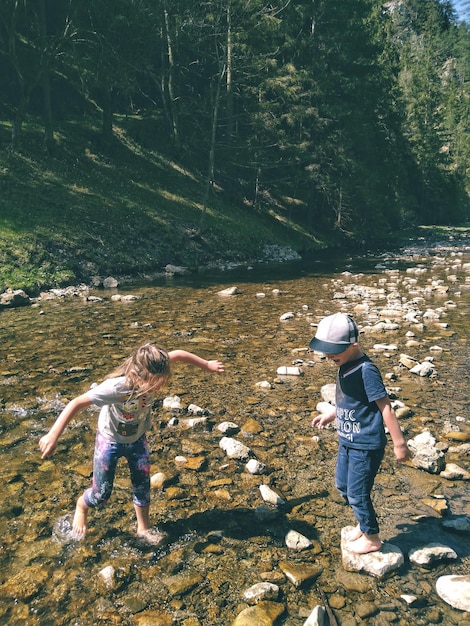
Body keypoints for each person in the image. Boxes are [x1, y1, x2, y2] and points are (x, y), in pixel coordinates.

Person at [39, 343, 224, 544]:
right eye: (155, 384)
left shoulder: (156, 366)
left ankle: (143, 528)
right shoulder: (116, 388)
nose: (160, 387)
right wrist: (53, 435)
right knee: (102, 495)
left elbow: (178, 354)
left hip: (137, 440)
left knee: (142, 485)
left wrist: (206, 365)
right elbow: (76, 403)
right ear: (137, 377)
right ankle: (81, 506)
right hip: (109, 441)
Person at [310, 313, 411, 554]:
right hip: (347, 440)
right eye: (326, 351)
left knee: (357, 492)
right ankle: (362, 523)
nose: (328, 356)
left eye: (334, 350)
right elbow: (351, 401)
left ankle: (372, 537)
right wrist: (332, 413)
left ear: (354, 344)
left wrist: (399, 443)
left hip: (365, 444)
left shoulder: (366, 370)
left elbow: (384, 406)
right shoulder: (343, 364)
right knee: (343, 486)